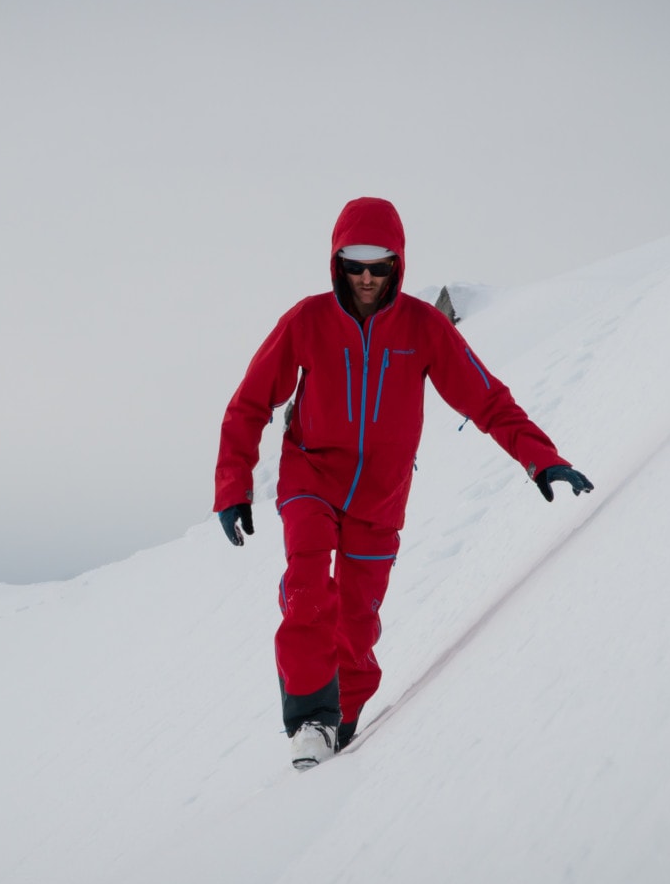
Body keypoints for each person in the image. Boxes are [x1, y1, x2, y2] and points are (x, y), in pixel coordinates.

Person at [213, 196, 593, 770]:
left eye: (379, 265)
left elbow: (485, 397)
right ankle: (310, 718)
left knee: (358, 620)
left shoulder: (423, 328)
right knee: (311, 583)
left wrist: (541, 458)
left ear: (398, 264)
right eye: (354, 265)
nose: (366, 278)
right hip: (311, 475)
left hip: (380, 495)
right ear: (337, 264)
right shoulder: (307, 321)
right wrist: (233, 487)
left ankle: (342, 716)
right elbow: (248, 404)